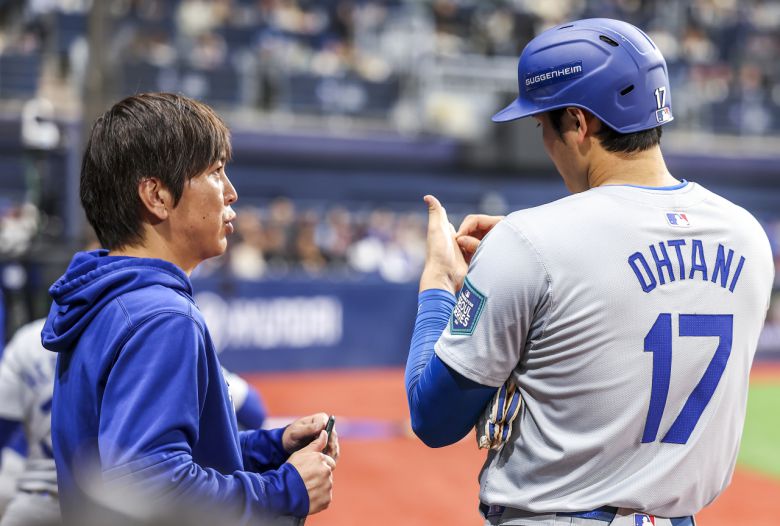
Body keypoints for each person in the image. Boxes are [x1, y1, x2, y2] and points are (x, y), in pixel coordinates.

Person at [405, 18, 774, 526]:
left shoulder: (530, 243)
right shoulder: (748, 235)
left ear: (579, 122)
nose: (545, 141)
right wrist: (526, 253)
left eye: (542, 125)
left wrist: (439, 287)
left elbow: (433, 418)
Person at [41, 93, 338, 525]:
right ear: (157, 195)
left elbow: (146, 459)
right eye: (216, 172)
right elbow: (150, 487)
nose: (232, 192)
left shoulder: (107, 301)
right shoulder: (163, 318)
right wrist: (285, 490)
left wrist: (272, 448)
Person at [0, 319, 58, 526]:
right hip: (106, 498)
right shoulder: (126, 329)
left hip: (39, 495)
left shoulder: (28, 338)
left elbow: (3, 427)